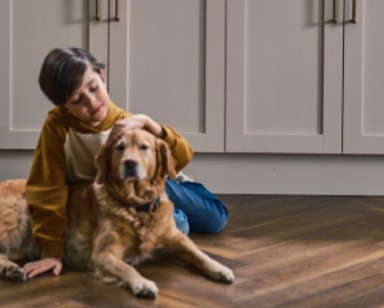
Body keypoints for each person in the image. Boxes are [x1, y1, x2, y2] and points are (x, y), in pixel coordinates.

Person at [21, 47, 228, 279]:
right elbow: (47, 189)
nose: (91, 103)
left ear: (101, 76)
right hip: (106, 195)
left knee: (215, 219)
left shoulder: (126, 122)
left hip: (154, 182)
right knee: (177, 226)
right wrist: (51, 250)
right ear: (63, 106)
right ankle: (170, 218)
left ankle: (184, 188)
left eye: (93, 88)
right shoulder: (56, 127)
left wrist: (151, 124)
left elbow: (182, 156)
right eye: (77, 100)